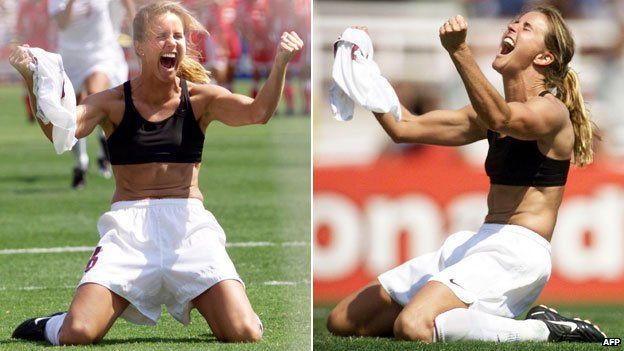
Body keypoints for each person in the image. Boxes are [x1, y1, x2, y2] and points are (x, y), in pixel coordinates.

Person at [9, 0, 303, 345]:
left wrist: (281, 62)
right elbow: (62, 132)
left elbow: (258, 112)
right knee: (77, 333)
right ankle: (50, 324)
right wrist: (33, 80)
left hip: (189, 228)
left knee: (244, 332)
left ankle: (227, 305)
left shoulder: (201, 98)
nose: (172, 43)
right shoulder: (112, 101)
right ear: (139, 47)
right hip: (128, 232)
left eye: (178, 36)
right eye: (161, 35)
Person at [326, 6, 606, 343]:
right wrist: (364, 72)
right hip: (479, 242)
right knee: (344, 320)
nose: (513, 26)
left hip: (518, 254)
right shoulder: (488, 113)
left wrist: (459, 50)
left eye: (526, 27)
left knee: (414, 325)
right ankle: (457, 316)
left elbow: (502, 119)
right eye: (515, 20)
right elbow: (404, 127)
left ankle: (545, 329)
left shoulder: (551, 111)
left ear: (545, 57)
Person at [48, 0, 136, 188]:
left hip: (101, 53)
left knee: (94, 96)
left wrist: (136, 29)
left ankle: (104, 142)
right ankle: (81, 163)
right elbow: (63, 23)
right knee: (74, 109)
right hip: (72, 57)